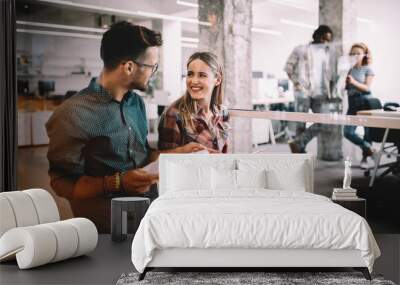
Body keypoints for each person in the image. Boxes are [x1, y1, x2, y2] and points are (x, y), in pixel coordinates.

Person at [46, 21, 207, 233]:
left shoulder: (136, 103)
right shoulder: (72, 114)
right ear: (129, 67)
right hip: (108, 227)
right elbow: (63, 184)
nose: (153, 73)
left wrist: (175, 154)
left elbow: (143, 155)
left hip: (147, 213)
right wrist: (118, 182)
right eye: (152, 67)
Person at [158, 52, 230, 153]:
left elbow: (224, 153)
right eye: (190, 74)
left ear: (217, 80)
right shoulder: (174, 114)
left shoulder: (223, 112)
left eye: (202, 75)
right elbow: (167, 162)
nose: (194, 81)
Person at [284, 25, 338, 153]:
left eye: (328, 40)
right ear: (317, 36)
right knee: (300, 123)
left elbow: (329, 75)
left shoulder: (327, 53)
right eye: (324, 38)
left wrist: (330, 92)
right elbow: (288, 67)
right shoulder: (300, 49)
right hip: (303, 91)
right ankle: (299, 152)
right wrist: (296, 83)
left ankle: (298, 143)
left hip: (320, 93)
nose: (326, 42)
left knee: (325, 119)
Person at [343, 43, 375, 169]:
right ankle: (368, 147)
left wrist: (353, 82)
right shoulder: (349, 70)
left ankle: (365, 158)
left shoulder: (368, 69)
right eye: (352, 53)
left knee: (368, 133)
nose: (355, 55)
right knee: (348, 132)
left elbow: (367, 88)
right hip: (352, 104)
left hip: (365, 103)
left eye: (358, 53)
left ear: (364, 55)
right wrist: (345, 83)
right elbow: (346, 88)